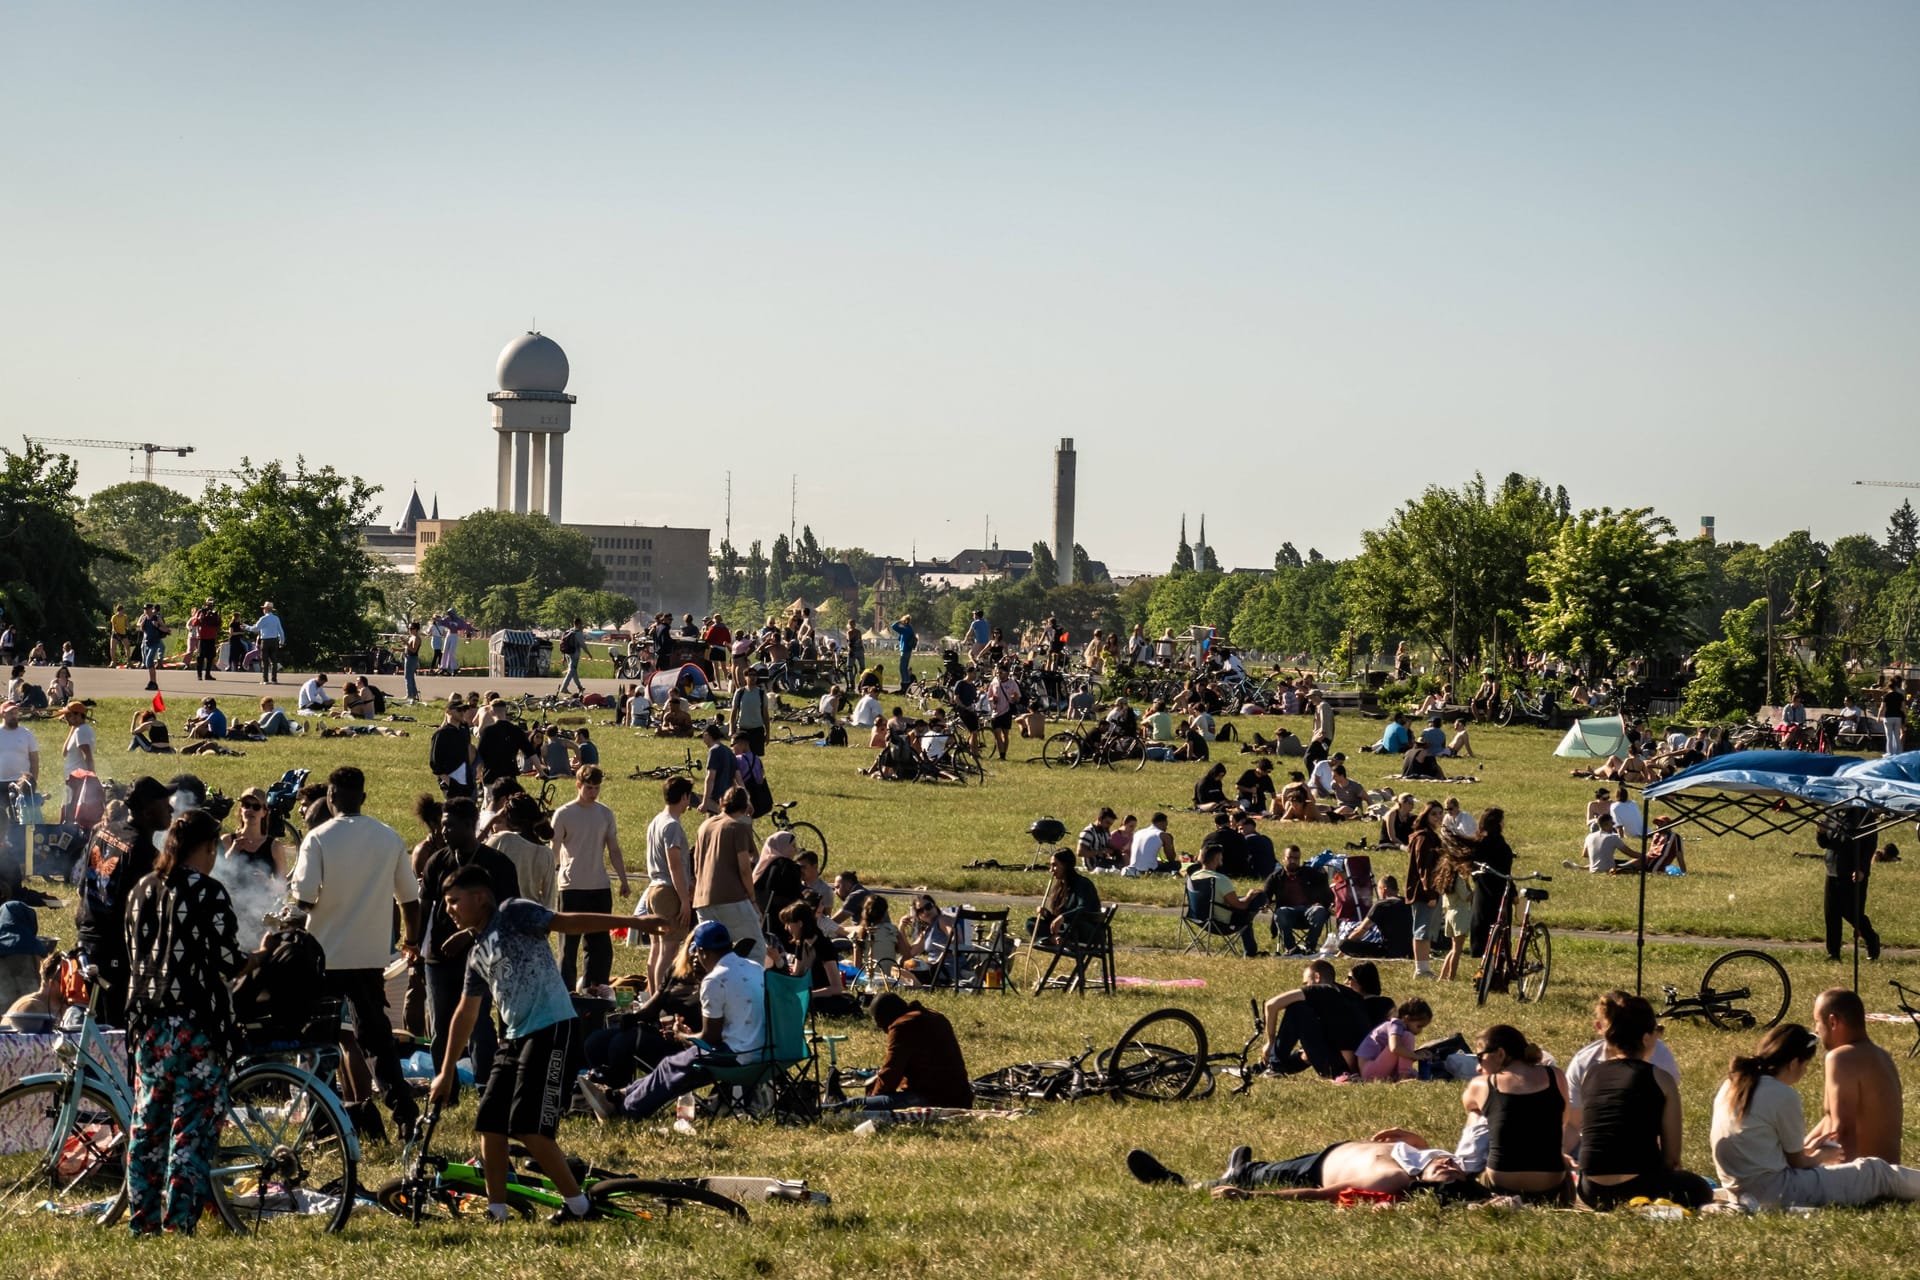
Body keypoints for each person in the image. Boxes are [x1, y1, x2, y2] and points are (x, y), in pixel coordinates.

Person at [431, 863, 664, 1223]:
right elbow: (465, 1013)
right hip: (513, 1037)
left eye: (454, 901)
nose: (449, 910)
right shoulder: (477, 952)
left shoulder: (513, 912)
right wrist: (445, 1072)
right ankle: (498, 1212)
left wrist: (636, 923)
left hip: (551, 1028)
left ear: (479, 898)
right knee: (490, 1124)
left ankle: (580, 1208)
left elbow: (568, 922)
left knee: (529, 1129)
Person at [121, 810, 251, 1235]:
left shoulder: (140, 890)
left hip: (148, 1025)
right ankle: (180, 1223)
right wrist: (261, 956)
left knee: (148, 1128)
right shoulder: (209, 892)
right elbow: (228, 961)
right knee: (191, 1130)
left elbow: (134, 955)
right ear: (210, 848)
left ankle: (143, 1222)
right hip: (197, 1026)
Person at [289, 766, 422, 1137]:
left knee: (319, 1042)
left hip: (325, 957)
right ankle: (404, 1113)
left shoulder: (317, 838)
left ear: (329, 799)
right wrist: (411, 940)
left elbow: (303, 900)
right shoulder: (388, 837)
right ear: (363, 797)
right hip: (369, 958)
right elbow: (410, 900)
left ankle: (322, 1120)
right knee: (377, 1041)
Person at [1711, 1022, 1920, 1208]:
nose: (1804, 1071)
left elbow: (1760, 1147)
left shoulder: (1732, 1085)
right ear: (1794, 1063)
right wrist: (1821, 1156)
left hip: (1740, 1191)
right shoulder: (1782, 1094)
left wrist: (1808, 1150)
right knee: (1876, 1172)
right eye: (1805, 1065)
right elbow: (1798, 1164)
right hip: (1775, 1191)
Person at [583, 919, 765, 1124]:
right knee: (671, 1065)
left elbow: (709, 1038)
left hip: (735, 1055)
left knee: (672, 1066)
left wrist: (681, 1035)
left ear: (702, 951)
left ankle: (625, 1109)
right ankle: (618, 1096)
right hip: (761, 1049)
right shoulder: (754, 967)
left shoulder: (714, 979)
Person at [417, 797, 520, 1102]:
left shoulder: (497, 864)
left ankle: (485, 1086)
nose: (443, 831)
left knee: (478, 1023)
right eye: (441, 824)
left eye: (449, 825)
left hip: (482, 954)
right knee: (440, 1025)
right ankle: (445, 1090)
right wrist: (416, 949)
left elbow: (507, 913)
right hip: (439, 958)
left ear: (469, 825)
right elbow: (426, 907)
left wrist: (468, 934)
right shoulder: (438, 861)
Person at [1571, 991, 1712, 1210]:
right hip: (1640, 1187)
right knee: (1700, 1188)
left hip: (1591, 1190)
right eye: (1657, 1031)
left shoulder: (1591, 1074)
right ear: (1646, 1038)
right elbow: (1672, 1158)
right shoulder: (1661, 1079)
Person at [75, 776, 174, 1028]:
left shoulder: (104, 831)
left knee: (98, 1030)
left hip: (87, 941)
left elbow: (82, 888)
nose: (171, 810)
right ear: (147, 810)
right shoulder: (143, 853)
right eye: (166, 805)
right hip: (114, 952)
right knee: (118, 1034)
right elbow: (147, 915)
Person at [1127, 1131, 1472, 1200]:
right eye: (1453, 1170)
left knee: (1260, 1176)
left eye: (1445, 1174)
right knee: (1267, 1166)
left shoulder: (1392, 1179)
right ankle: (1247, 1167)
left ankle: (1177, 1182)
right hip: (1331, 1151)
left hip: (1315, 1171)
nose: (1450, 1167)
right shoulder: (1441, 1159)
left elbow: (1322, 1194)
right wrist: (1412, 1138)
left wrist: (1249, 1197)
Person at [1463, 1024, 1570, 1197]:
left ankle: (1464, 1164)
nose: (1478, 1067)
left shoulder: (1483, 1084)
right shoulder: (1555, 1076)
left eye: (1479, 1058)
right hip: (1551, 1187)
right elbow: (1564, 1120)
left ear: (1500, 1054)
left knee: (1476, 1113)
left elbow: (1468, 1104)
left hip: (1501, 1185)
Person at [551, 765, 628, 991]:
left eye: (596, 788)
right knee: (568, 947)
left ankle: (596, 990)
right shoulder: (564, 813)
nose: (593, 792)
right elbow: (553, 848)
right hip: (571, 887)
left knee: (600, 946)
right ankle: (566, 993)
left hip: (599, 887)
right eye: (588, 788)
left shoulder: (605, 814)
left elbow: (614, 849)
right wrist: (551, 874)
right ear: (578, 785)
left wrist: (623, 879)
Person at [1807, 987, 1903, 1163]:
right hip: (1887, 1173)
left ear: (1833, 1021)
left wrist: (1845, 1183)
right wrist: (1800, 1151)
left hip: (1863, 1178)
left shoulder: (1841, 1058)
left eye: (1817, 1022)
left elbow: (1842, 1130)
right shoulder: (1882, 1056)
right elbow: (1832, 1118)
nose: (1816, 1031)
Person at [1261, 959, 1373, 1078]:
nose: (1306, 986)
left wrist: (1270, 1042)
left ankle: (1274, 1066)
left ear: (1317, 977)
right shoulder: (1349, 995)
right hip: (1357, 1066)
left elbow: (1271, 1005)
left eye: (1306, 983)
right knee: (1304, 1050)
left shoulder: (1323, 989)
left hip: (1339, 1068)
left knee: (1298, 1008)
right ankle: (1262, 1068)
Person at [863, 992, 973, 1109]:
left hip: (933, 1099)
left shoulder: (902, 1026)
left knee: (853, 1104)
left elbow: (891, 1073)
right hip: (961, 1097)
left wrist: (874, 1100)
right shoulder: (936, 1016)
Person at [692, 784, 764, 961]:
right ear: (746, 806)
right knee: (754, 950)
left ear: (722, 802)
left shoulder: (705, 826)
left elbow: (695, 864)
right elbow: (745, 869)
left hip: (702, 900)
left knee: (712, 954)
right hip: (732, 899)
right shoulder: (736, 828)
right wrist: (753, 900)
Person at [641, 776, 696, 992]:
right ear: (683, 797)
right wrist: (684, 900)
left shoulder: (657, 821)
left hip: (653, 889)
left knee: (656, 948)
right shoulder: (672, 826)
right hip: (668, 891)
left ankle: (653, 994)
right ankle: (660, 997)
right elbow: (674, 865)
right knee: (669, 948)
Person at [1817, 810, 1880, 961]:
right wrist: (1821, 832)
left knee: (1852, 912)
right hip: (1833, 870)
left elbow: (1870, 845)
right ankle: (1833, 953)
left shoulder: (1864, 816)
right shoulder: (1832, 813)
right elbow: (1825, 843)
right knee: (1831, 913)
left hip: (1854, 872)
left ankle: (1871, 940)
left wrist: (1862, 868)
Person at [1188, 843, 1268, 957]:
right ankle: (1250, 953)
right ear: (1216, 858)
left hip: (1198, 918)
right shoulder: (1220, 879)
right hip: (1222, 923)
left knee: (1240, 899)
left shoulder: (1193, 877)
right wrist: (1249, 897)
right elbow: (1241, 906)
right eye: (1221, 856)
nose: (1222, 858)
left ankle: (1251, 951)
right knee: (1258, 897)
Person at [485, 793, 557, 910]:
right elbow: (548, 896)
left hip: (502, 914)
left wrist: (492, 821)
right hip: (530, 917)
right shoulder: (547, 853)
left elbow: (474, 855)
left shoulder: (503, 839)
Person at [1265, 845, 1333, 956]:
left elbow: (1327, 892)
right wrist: (1266, 903)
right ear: (1283, 859)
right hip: (1288, 913)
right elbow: (1265, 896)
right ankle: (1291, 948)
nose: (1293, 861)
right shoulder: (1275, 877)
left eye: (1296, 859)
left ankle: (1310, 947)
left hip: (1309, 910)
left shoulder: (1310, 873)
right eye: (1290, 858)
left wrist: (1322, 903)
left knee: (1319, 910)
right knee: (1280, 912)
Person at [1403, 800, 1445, 977]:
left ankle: (1425, 967)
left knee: (1427, 932)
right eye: (1434, 813)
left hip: (1432, 890)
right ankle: (1420, 969)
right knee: (1421, 931)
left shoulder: (1431, 836)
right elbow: (1424, 869)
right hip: (1423, 892)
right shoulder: (1423, 838)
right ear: (1425, 815)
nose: (1438, 817)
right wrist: (1430, 893)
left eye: (1440, 813)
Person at [218, 785, 289, 886]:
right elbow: (216, 875)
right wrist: (231, 852)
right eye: (246, 805)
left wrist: (268, 882)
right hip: (231, 899)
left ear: (264, 812)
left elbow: (282, 887)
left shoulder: (275, 846)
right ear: (241, 810)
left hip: (260, 900)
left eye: (256, 807)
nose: (250, 810)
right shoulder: (227, 840)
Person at [1033, 847, 1101, 946]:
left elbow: (1084, 908)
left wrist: (1063, 917)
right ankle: (1055, 939)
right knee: (1031, 923)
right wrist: (1046, 914)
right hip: (1066, 928)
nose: (1051, 870)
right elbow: (1057, 917)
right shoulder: (1060, 886)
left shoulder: (1083, 883)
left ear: (1066, 865)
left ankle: (1057, 939)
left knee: (1071, 924)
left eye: (1055, 865)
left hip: (1085, 929)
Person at [1356, 998, 1431, 1082]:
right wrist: (1416, 1056)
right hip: (1371, 1071)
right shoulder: (1395, 1025)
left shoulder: (1398, 1027)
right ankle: (1404, 1077)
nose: (1420, 1031)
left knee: (1415, 1074)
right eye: (1419, 1026)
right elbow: (1395, 1048)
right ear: (1406, 1018)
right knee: (1408, 1036)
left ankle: (1404, 1075)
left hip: (1376, 1069)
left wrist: (1417, 1055)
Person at [1339, 874, 1414, 960]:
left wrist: (1344, 948)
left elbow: (1361, 929)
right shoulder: (1409, 903)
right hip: (1411, 950)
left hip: (1390, 951)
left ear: (1384, 890)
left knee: (1343, 944)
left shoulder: (1381, 905)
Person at [57, 700, 95, 823]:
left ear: (79, 715)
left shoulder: (82, 731)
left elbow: (87, 755)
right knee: (67, 808)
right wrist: (73, 727)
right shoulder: (78, 730)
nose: (65, 718)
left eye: (69, 715)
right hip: (72, 778)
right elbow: (64, 752)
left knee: (69, 812)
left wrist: (91, 777)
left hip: (77, 779)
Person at [729, 666, 770, 755]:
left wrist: (768, 733)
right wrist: (731, 730)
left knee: (755, 758)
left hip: (757, 731)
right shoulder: (739, 692)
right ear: (745, 677)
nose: (753, 677)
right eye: (750, 675)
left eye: (755, 675)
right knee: (740, 757)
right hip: (742, 730)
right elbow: (733, 713)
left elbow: (766, 715)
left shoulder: (761, 693)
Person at [698, 723, 736, 815]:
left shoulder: (714, 750)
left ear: (707, 735)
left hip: (716, 800)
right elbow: (738, 778)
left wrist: (705, 802)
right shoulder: (729, 751)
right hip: (728, 799)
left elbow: (710, 778)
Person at [1126, 812, 1178, 876]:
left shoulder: (1138, 833)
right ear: (1163, 823)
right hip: (1149, 870)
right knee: (1177, 864)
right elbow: (1171, 858)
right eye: (1166, 825)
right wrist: (1171, 842)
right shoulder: (1162, 835)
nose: (1166, 828)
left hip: (1133, 868)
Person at [247, 602, 285, 684]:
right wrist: (281, 641)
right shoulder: (276, 618)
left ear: (266, 609)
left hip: (265, 641)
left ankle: (265, 679)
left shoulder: (263, 619)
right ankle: (274, 679)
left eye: (264, 608)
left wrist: (246, 627)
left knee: (264, 660)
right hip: (274, 640)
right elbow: (281, 631)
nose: (263, 610)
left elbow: (255, 628)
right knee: (274, 661)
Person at [557, 616, 586, 696]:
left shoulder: (568, 631)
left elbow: (564, 644)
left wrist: (564, 656)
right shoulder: (577, 633)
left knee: (573, 671)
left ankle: (580, 687)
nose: (582, 625)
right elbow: (583, 644)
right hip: (574, 654)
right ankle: (564, 688)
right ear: (579, 623)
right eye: (581, 623)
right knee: (571, 671)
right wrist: (589, 653)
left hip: (567, 654)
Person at [891, 614, 918, 693]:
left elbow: (893, 626)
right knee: (905, 668)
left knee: (902, 668)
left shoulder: (905, 629)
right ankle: (907, 684)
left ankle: (905, 684)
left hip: (905, 650)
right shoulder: (910, 629)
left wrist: (900, 621)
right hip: (908, 650)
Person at [1879, 675, 1905, 756]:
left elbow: (1882, 708)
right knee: (1897, 735)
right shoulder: (1900, 696)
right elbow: (1903, 708)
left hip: (1888, 717)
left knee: (1889, 736)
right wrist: (1905, 717)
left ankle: (1890, 753)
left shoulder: (1886, 696)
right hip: (1897, 717)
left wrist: (1878, 716)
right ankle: (1898, 752)